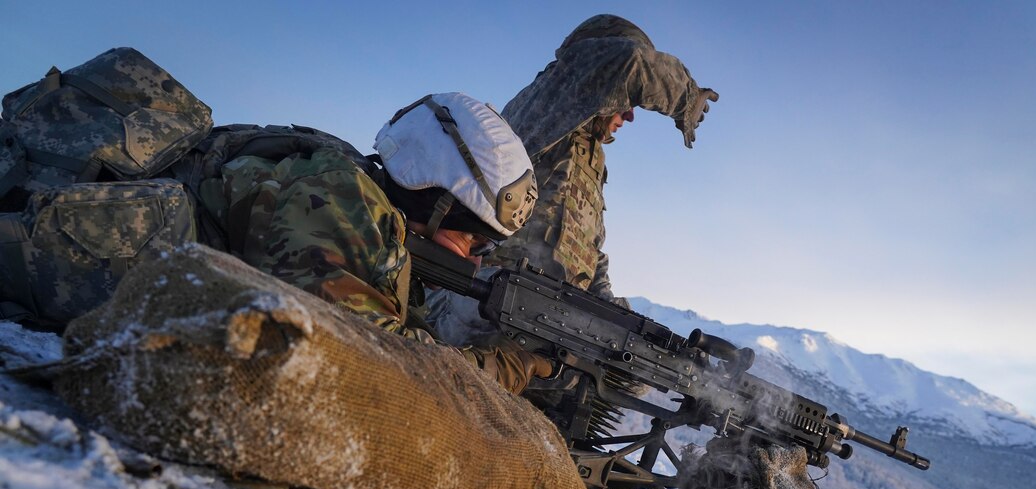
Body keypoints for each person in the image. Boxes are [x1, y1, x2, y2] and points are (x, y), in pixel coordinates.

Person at [169, 92, 550, 394]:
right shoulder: (342, 199)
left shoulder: (378, 219)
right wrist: (503, 369)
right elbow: (375, 369)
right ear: (433, 203)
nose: (475, 262)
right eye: (473, 241)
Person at [428, 14, 717, 344]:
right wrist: (686, 96)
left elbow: (590, 251)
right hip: (487, 297)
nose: (630, 115)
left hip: (544, 314)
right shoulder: (550, 103)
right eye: (627, 102)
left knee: (625, 376)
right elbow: (627, 64)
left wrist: (614, 315)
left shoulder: (588, 156)